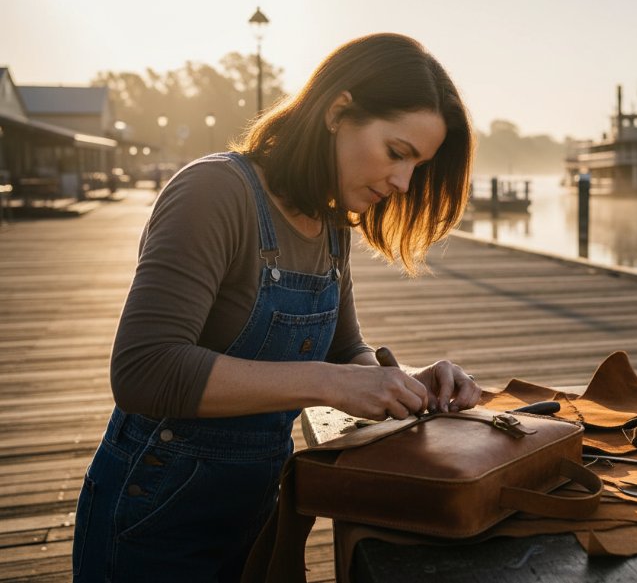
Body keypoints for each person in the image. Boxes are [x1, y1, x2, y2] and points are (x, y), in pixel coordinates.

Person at [72, 33, 481, 582]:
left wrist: (408, 383)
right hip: (152, 515)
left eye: (418, 166)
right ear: (339, 111)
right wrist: (328, 383)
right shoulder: (215, 191)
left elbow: (346, 352)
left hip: (253, 511)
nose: (404, 183)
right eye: (397, 153)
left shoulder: (332, 226)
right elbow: (145, 370)